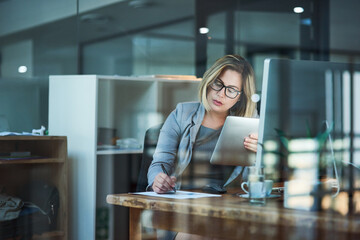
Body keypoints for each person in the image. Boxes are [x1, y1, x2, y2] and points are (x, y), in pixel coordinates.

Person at [147, 54, 259, 195]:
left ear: (239, 97)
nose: (221, 94)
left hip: (229, 200)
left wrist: (260, 154)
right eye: (218, 83)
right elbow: (160, 162)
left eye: (231, 90)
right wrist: (157, 180)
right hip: (184, 199)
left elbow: (257, 177)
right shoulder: (182, 114)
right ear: (209, 81)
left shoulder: (249, 121)